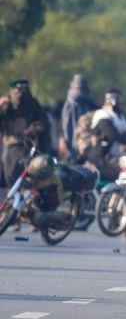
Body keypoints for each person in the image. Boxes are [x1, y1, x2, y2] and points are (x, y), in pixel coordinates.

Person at [0, 80, 50, 232]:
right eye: (17, 89)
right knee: (11, 183)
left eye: (23, 89)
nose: (20, 93)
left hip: (29, 148)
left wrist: (35, 128)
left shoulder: (33, 105)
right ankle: (12, 219)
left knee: (32, 184)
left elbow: (43, 123)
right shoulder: (7, 107)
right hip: (9, 148)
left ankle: (34, 219)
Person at [85, 89, 126, 182]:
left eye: (117, 97)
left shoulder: (122, 116)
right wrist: (124, 144)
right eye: (112, 97)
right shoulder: (102, 114)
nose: (115, 100)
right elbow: (111, 134)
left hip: (119, 155)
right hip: (102, 158)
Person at [61, 74, 99, 161]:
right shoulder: (67, 106)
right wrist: (62, 139)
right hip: (68, 143)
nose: (79, 91)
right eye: (77, 88)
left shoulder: (91, 105)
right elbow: (62, 125)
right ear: (72, 88)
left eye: (82, 89)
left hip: (86, 144)